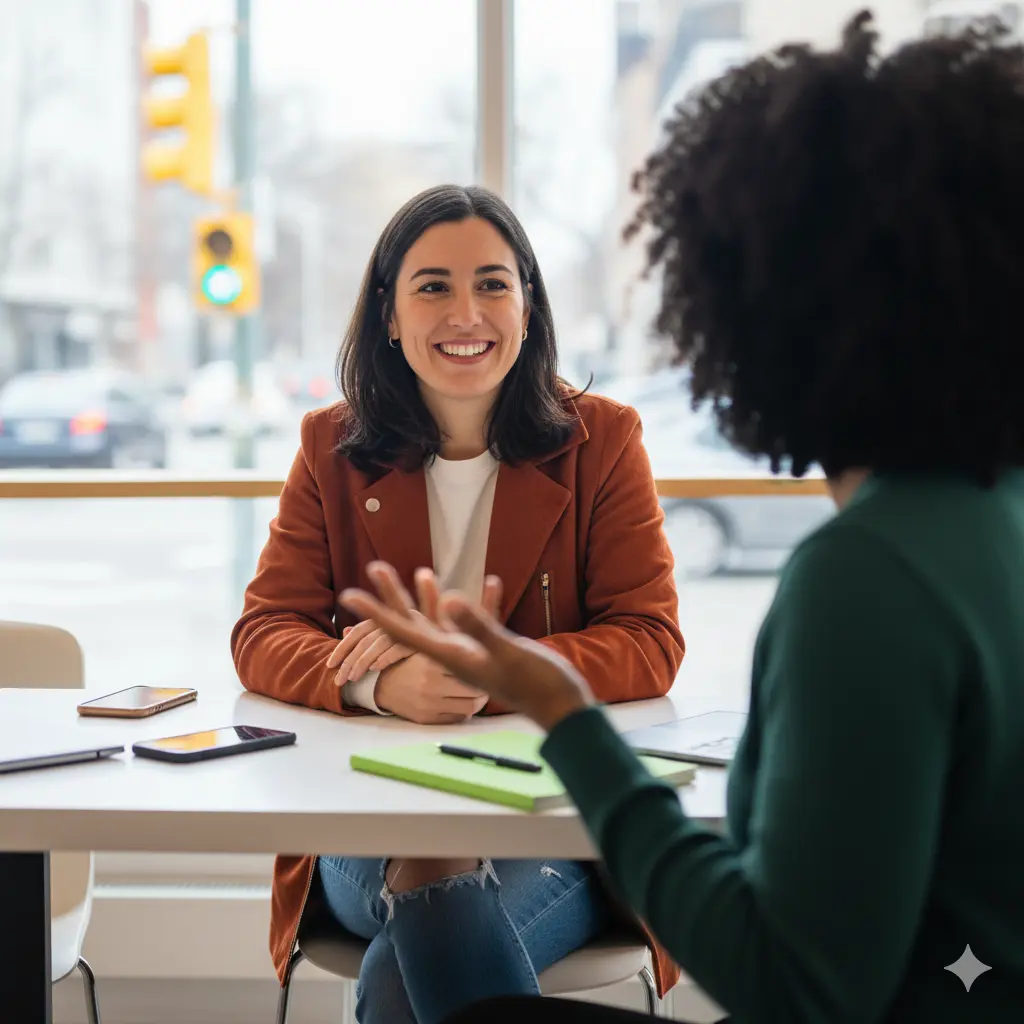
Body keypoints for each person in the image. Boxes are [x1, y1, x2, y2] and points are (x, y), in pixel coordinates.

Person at [338, 14, 1024, 1024]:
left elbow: (791, 981)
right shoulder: (991, 513)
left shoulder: (866, 574)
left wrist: (565, 713)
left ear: (754, 309)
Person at [230, 183, 685, 1024]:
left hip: (551, 828)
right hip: (370, 821)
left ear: (528, 305)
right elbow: (263, 631)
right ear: (391, 316)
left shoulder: (605, 440)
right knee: (429, 874)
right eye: (433, 286)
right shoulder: (329, 448)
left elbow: (649, 640)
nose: (465, 312)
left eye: (493, 284)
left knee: (401, 980)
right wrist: (375, 685)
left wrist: (494, 675)